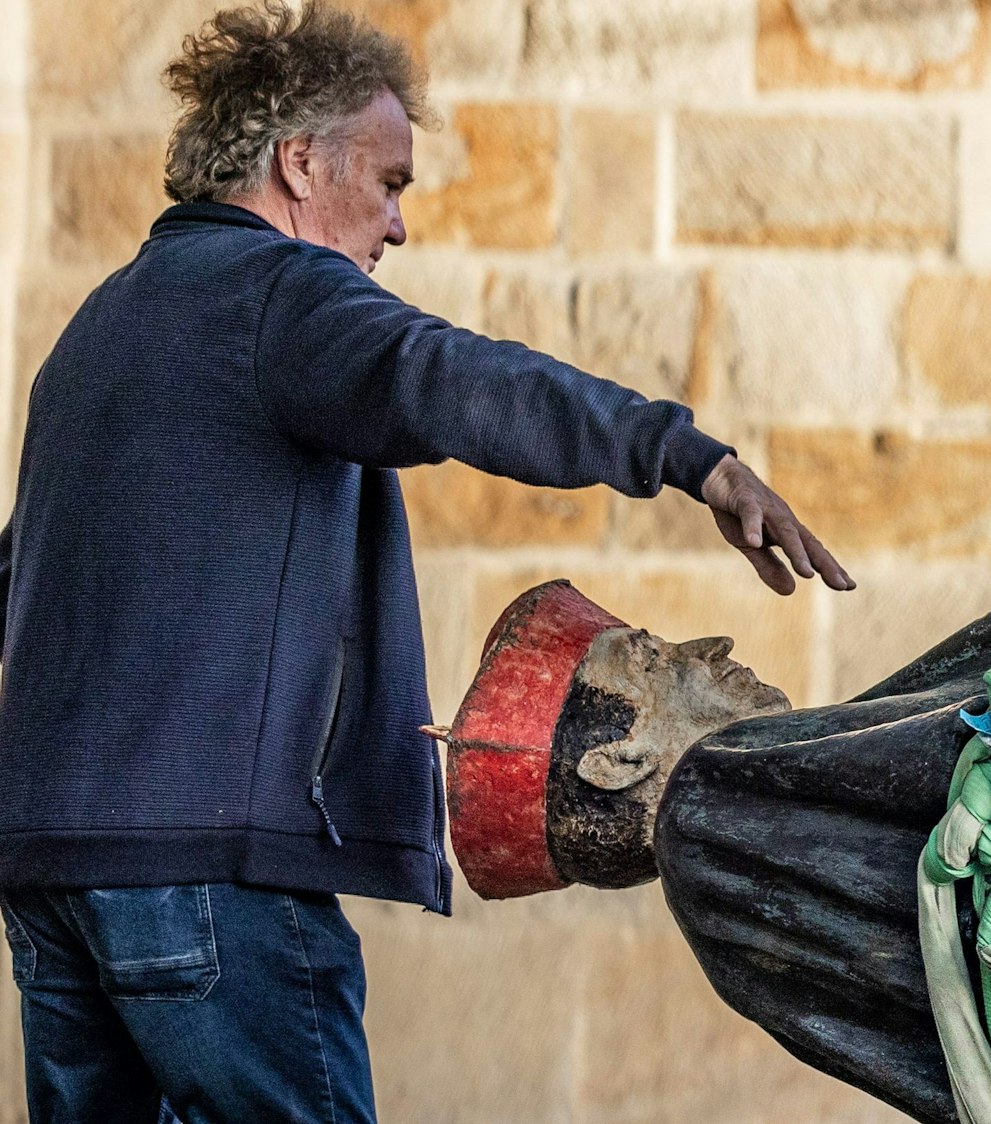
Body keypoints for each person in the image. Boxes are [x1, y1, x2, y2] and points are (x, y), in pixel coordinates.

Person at [0, 3, 851, 1120]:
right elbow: (449, 376)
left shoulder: (97, 327)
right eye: (391, 180)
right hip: (209, 878)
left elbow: (24, 571)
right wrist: (688, 457)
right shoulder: (282, 297)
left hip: (48, 869)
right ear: (299, 162)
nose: (398, 227)